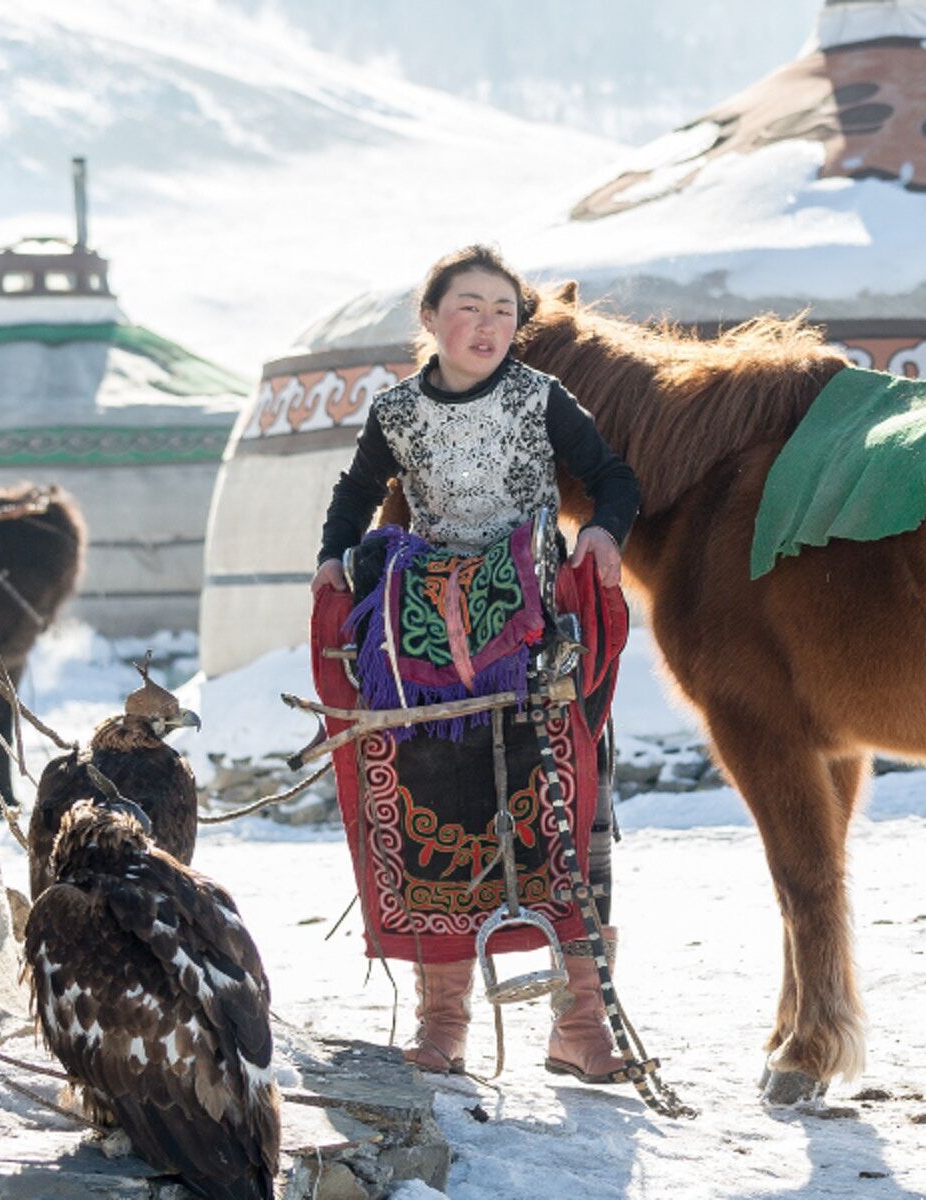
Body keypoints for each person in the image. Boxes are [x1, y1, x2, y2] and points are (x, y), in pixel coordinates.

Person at [313, 244, 641, 1083]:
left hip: (534, 616)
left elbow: (612, 477)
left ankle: (581, 1025)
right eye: (469, 306)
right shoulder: (396, 410)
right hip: (428, 629)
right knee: (439, 803)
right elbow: (356, 493)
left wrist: (603, 530)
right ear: (431, 318)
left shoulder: (542, 398)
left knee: (568, 803)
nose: (488, 324)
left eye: (504, 309)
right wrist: (332, 555)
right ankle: (445, 1020)